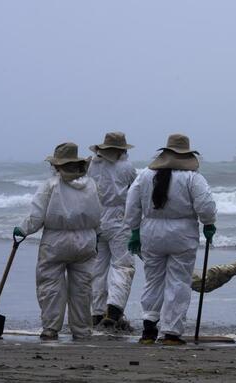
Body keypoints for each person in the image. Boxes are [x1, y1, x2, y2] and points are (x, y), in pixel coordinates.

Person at [125, 134, 217, 345]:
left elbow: (132, 203)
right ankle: (171, 333)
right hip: (182, 233)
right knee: (178, 281)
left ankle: (148, 329)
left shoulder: (146, 175)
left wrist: (134, 230)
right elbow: (205, 205)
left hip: (151, 232)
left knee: (153, 279)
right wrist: (209, 223)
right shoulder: (193, 177)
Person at [13, 143, 101, 340]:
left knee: (50, 284)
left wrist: (22, 229)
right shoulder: (91, 185)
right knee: (82, 288)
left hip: (56, 240)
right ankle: (81, 330)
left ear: (57, 166)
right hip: (86, 240)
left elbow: (37, 217)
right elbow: (98, 215)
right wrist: (97, 234)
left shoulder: (51, 185)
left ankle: (51, 328)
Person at [87, 132, 137, 329]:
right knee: (123, 266)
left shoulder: (93, 165)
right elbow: (134, 195)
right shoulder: (126, 167)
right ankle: (114, 309)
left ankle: (97, 313)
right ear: (121, 149)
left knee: (98, 269)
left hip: (96, 219)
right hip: (119, 219)